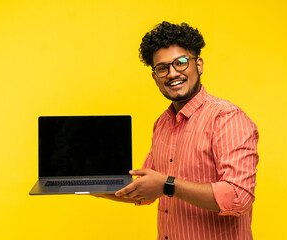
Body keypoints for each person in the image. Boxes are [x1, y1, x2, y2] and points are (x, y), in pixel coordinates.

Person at [93, 21, 259, 240]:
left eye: (181, 62)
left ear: (198, 65)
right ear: (155, 77)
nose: (172, 73)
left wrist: (166, 185)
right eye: (162, 68)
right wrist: (86, 185)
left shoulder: (227, 118)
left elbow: (239, 197)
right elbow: (144, 190)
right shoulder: (161, 124)